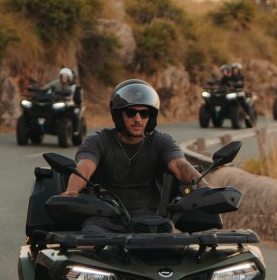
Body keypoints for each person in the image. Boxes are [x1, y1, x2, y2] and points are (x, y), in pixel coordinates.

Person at [62, 79, 209, 233]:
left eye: (144, 113)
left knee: (179, 247)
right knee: (88, 242)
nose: (138, 119)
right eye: (131, 112)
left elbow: (180, 165)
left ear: (150, 117)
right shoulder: (98, 140)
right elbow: (84, 167)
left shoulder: (160, 141)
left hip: (151, 222)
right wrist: (72, 191)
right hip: (105, 220)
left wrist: (205, 187)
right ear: (118, 115)